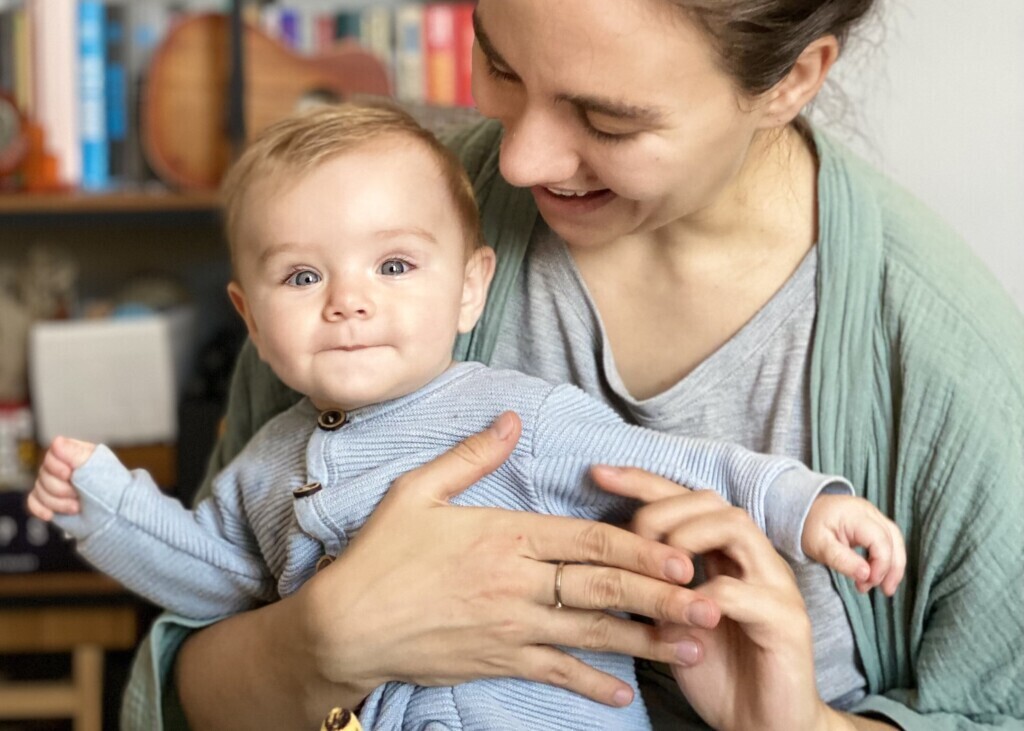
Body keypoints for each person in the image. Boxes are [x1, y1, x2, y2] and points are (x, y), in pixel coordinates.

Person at [99, 0, 1024, 729]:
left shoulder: (950, 367)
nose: (517, 156)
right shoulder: (359, 235)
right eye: (498, 60)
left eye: (607, 119)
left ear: (791, 79)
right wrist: (326, 640)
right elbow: (190, 669)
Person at [28, 103, 903, 730]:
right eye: (303, 277)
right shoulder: (265, 462)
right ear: (251, 319)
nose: (349, 303)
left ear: (470, 287)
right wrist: (105, 506)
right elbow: (215, 585)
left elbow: (679, 466)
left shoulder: (516, 418)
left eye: (396, 265)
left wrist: (805, 503)